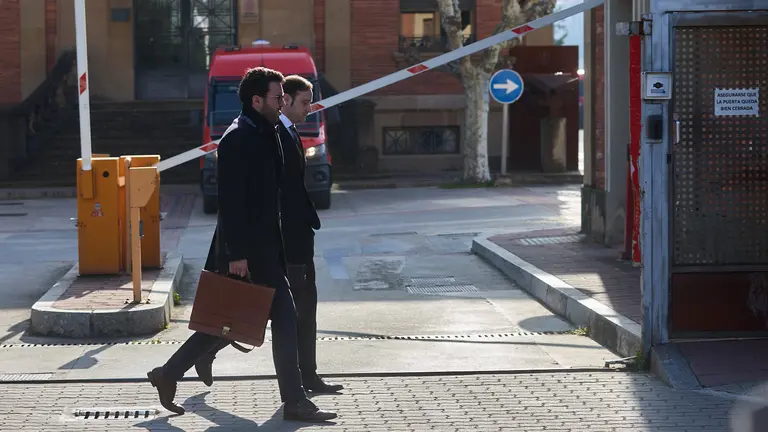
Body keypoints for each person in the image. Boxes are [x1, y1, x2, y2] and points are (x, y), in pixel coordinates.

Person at [146, 67, 337, 422]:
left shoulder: (269, 131)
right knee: (282, 315)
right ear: (257, 100)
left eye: (283, 97)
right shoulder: (237, 137)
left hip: (268, 243)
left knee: (232, 321)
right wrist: (236, 255)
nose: (283, 102)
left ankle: (168, 373)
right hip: (248, 248)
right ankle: (294, 400)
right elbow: (230, 201)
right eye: (278, 97)